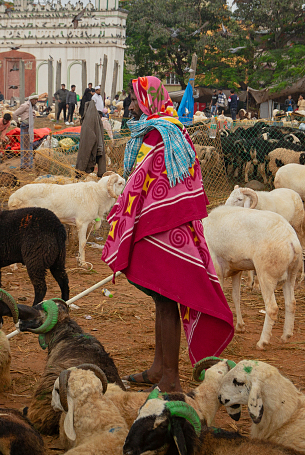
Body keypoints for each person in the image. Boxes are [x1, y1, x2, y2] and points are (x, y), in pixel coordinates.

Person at [102, 76, 234, 391]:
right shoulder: (164, 131)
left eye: (135, 99)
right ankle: (159, 367)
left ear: (148, 99)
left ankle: (171, 378)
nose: (131, 105)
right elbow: (144, 180)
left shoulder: (166, 135)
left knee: (168, 299)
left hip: (165, 229)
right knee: (162, 301)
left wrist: (129, 214)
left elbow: (155, 185)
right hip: (160, 226)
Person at [75, 96, 107, 177]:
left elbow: (86, 146)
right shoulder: (95, 119)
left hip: (91, 153)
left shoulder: (88, 122)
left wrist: (79, 171)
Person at [13, 93, 38, 170]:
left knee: (29, 146)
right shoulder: (25, 106)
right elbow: (15, 114)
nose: (36, 101)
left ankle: (28, 164)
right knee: (25, 147)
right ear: (31, 99)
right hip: (25, 128)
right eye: (35, 100)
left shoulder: (31, 106)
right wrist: (18, 123)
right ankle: (24, 165)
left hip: (29, 128)